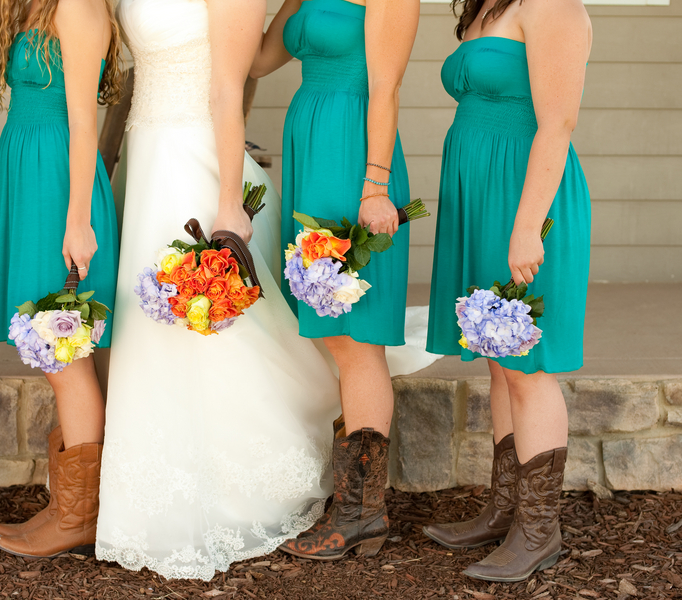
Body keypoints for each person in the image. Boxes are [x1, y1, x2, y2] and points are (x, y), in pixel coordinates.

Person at [94, 0, 341, 580]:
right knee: (150, 325)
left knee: (206, 328)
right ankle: (155, 485)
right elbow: (130, 78)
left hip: (197, 165)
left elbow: (231, 89)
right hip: (147, 159)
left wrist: (229, 204)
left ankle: (242, 490)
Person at [422, 0, 592, 582]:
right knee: (499, 360)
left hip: (526, 198)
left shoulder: (555, 7)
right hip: (478, 193)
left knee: (526, 362)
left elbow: (558, 122)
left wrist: (526, 225)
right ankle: (505, 509)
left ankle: (540, 531)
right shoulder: (486, 6)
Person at [248, 0, 420, 560]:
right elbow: (257, 61)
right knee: (328, 324)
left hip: (353, 148)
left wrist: (375, 187)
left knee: (354, 336)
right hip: (309, 142)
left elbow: (386, 87)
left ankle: (363, 511)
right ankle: (356, 504)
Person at [0, 0, 121, 558]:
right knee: (46, 347)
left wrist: (78, 219)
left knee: (63, 351)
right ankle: (68, 503)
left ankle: (79, 516)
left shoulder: (81, 9)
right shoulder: (36, 8)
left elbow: (85, 120)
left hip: (58, 186)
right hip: (27, 178)